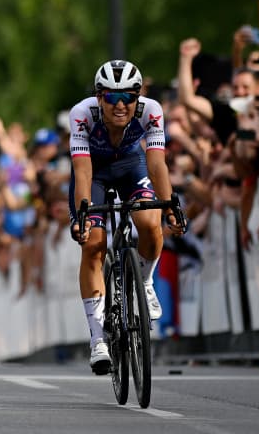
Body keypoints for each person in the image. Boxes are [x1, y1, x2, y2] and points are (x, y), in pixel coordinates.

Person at [67, 60, 183, 375]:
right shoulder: (82, 114)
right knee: (92, 244)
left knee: (150, 223)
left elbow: (157, 164)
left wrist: (169, 203)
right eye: (111, 97)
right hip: (96, 171)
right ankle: (98, 340)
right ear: (98, 96)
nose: (120, 105)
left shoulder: (152, 110)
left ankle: (144, 281)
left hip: (132, 166)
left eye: (128, 97)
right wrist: (84, 214)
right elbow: (82, 170)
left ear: (138, 96)